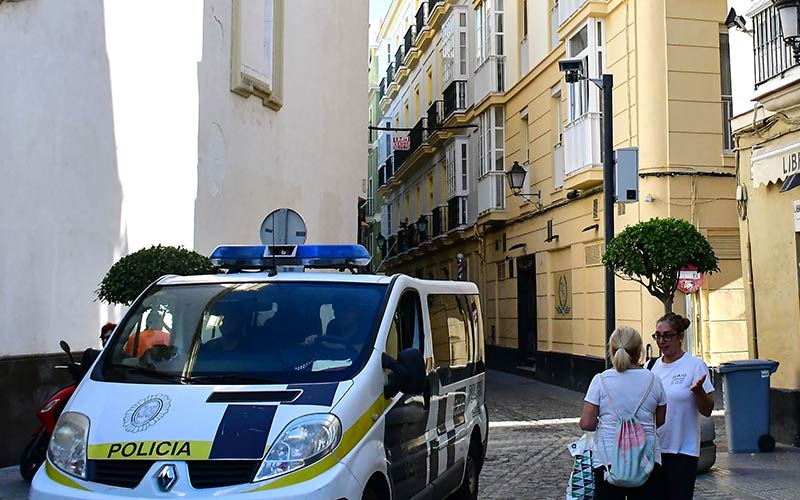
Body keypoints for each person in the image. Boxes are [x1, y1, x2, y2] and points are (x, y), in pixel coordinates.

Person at [580, 326, 667, 500]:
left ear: (611, 351)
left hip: (607, 460)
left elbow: (587, 423)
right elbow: (660, 419)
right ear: (640, 351)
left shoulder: (600, 380)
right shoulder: (653, 380)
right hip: (646, 460)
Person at [649, 312, 714, 500]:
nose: (662, 341)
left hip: (682, 450)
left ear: (680, 337)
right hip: (653, 450)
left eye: (667, 335)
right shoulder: (650, 366)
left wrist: (698, 392)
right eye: (658, 336)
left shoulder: (694, 366)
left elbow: (707, 410)